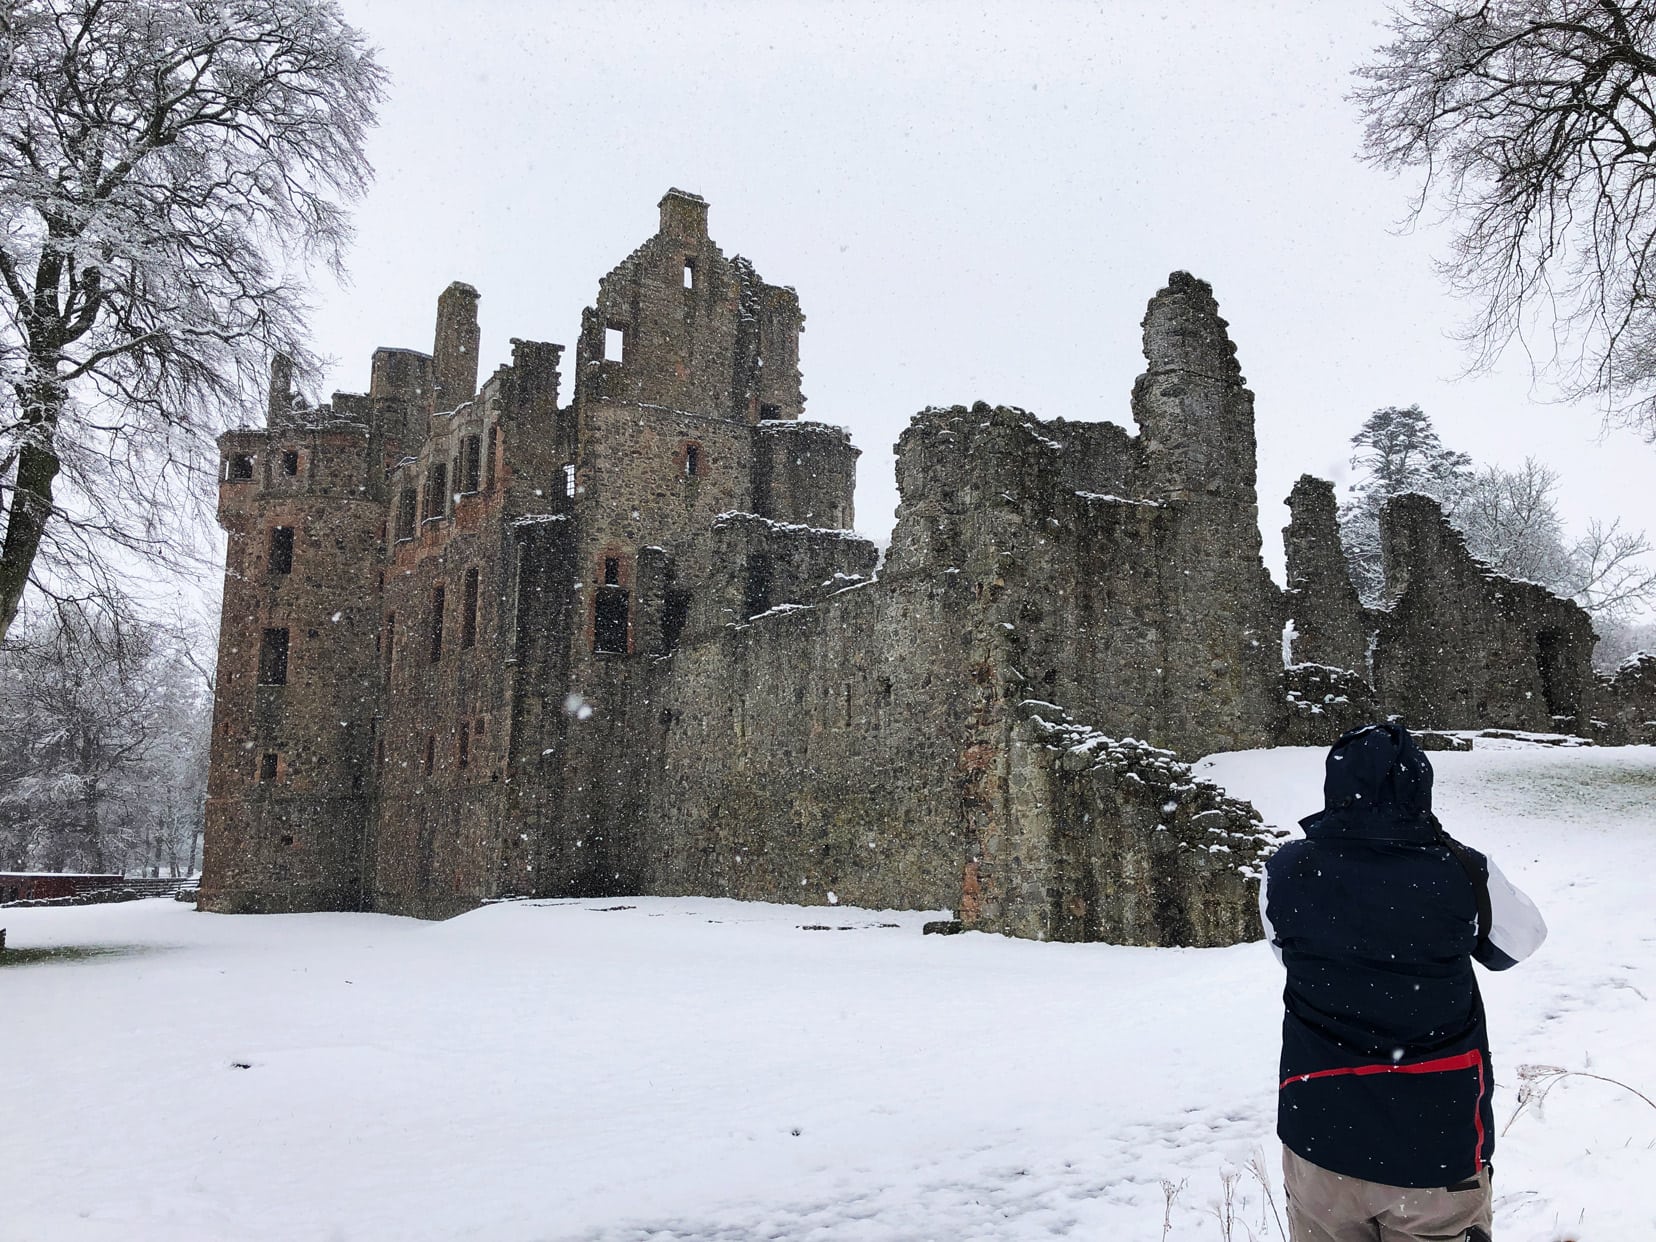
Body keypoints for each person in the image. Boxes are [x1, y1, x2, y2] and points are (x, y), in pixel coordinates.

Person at [1260, 721, 1547, 1242]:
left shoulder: (1285, 869)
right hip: (1435, 1144)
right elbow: (1518, 942)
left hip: (1320, 1130)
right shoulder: (1461, 869)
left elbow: (1289, 954)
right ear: (1421, 787)